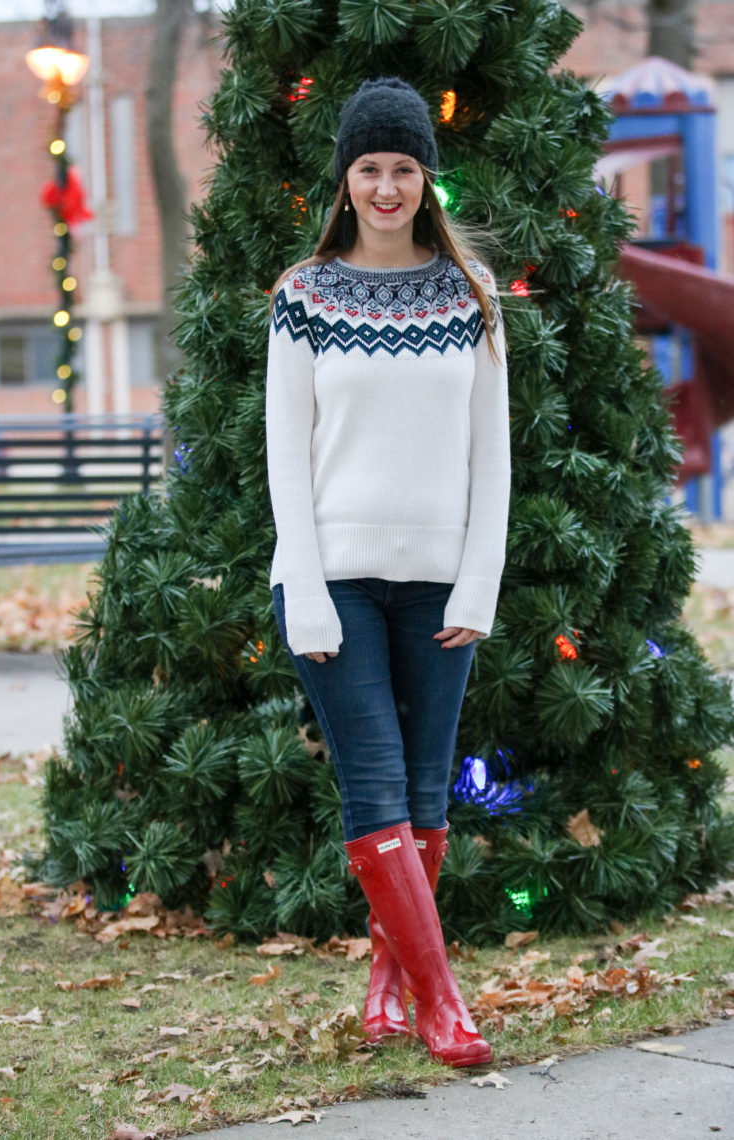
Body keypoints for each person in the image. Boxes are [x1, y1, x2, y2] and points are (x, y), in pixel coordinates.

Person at [264, 76, 510, 1068]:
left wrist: (478, 581)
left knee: (423, 788)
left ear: (425, 178)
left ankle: (389, 978)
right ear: (345, 178)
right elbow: (286, 452)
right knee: (374, 783)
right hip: (334, 585)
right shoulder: (304, 296)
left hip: (441, 581)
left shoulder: (470, 298)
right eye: (369, 167)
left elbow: (493, 453)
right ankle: (443, 1004)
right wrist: (308, 589)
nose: (385, 186)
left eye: (403, 168)